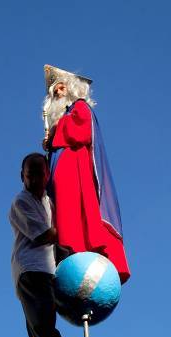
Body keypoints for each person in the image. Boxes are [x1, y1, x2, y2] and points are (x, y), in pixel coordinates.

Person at [42, 64, 131, 282]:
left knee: (73, 207)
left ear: (71, 88)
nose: (58, 93)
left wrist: (56, 131)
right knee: (63, 208)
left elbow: (80, 132)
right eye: (55, 92)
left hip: (74, 167)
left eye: (61, 88)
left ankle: (77, 246)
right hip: (61, 167)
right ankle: (67, 250)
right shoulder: (65, 115)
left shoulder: (80, 107)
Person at [9, 152, 74, 337]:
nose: (34, 180)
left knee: (40, 325)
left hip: (46, 270)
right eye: (30, 176)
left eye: (40, 174)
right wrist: (71, 224)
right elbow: (43, 236)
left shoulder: (48, 202)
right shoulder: (21, 202)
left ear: (47, 175)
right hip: (30, 270)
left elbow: (57, 243)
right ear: (22, 176)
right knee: (42, 322)